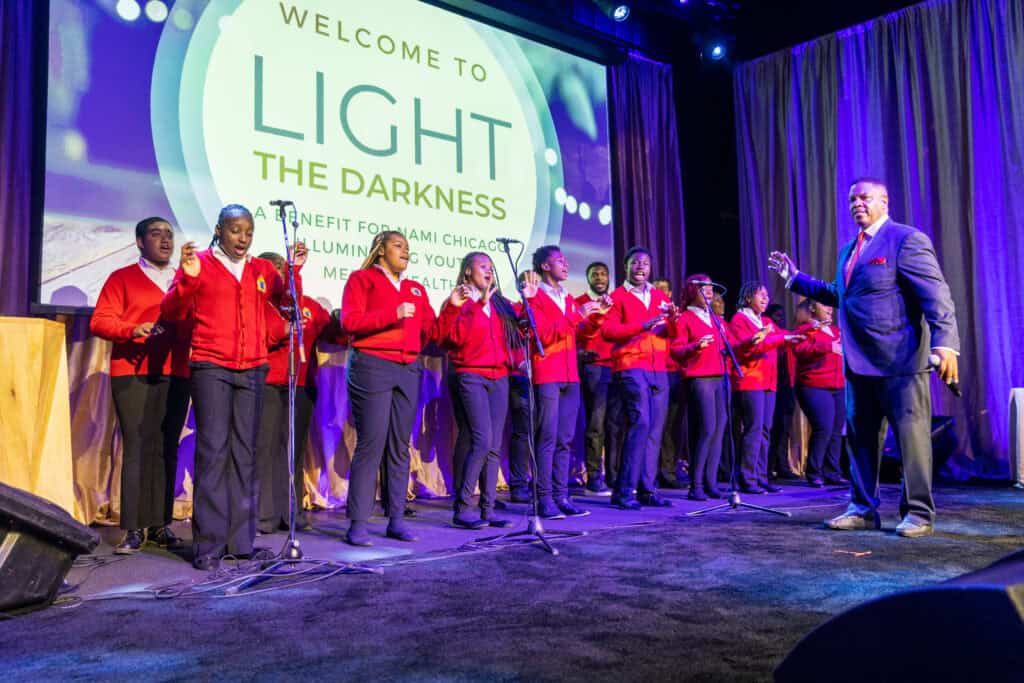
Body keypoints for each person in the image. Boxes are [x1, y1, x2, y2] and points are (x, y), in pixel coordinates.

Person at [769, 177, 960, 537]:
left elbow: (936, 294)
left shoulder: (905, 239)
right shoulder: (849, 250)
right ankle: (862, 509)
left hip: (900, 362)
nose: (857, 203)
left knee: (913, 440)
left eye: (865, 198)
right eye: (852, 199)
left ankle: (918, 513)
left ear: (885, 202)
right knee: (860, 440)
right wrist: (796, 279)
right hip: (859, 364)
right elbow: (843, 295)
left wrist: (945, 342)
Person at [161, 204, 304, 570]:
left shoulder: (260, 269)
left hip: (253, 367)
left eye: (249, 232)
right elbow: (172, 313)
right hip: (211, 365)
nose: (243, 239)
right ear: (220, 229)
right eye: (236, 231)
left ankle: (241, 543)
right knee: (213, 453)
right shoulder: (202, 264)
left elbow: (286, 300)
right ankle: (207, 547)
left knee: (246, 454)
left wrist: (294, 272)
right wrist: (188, 278)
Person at [90, 217, 191, 554]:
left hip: (176, 371)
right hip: (132, 372)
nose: (164, 240)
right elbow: (100, 320)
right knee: (137, 447)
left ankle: (161, 524)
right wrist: (130, 329)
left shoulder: (183, 281)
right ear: (138, 241)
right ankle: (133, 527)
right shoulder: (123, 278)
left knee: (167, 448)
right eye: (155, 234)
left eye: (169, 235)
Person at [341, 231, 437, 546]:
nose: (405, 251)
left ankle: (396, 519)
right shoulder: (362, 279)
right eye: (398, 245)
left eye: (408, 247)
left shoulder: (416, 289)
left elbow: (433, 331)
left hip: (409, 370)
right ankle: (358, 523)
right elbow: (350, 322)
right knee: (372, 443)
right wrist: (392, 314)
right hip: (372, 366)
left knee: (399, 446)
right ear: (381, 250)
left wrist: (452, 305)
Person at [437, 252, 522, 529]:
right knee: (481, 440)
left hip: (499, 377)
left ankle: (488, 509)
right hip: (470, 376)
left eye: (490, 267)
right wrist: (476, 305)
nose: (489, 271)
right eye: (482, 266)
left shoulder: (498, 305)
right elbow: (454, 339)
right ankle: (462, 507)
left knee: (495, 445)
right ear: (467, 273)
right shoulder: (459, 303)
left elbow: (517, 333)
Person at [254, 252, 336, 535]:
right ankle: (264, 515)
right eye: (274, 268)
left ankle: (292, 513)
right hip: (268, 382)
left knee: (293, 451)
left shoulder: (307, 305)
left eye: (283, 268)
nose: (279, 272)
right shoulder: (259, 304)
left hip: (301, 386)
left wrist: (342, 320)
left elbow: (333, 334)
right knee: (266, 449)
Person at [522, 245, 601, 519]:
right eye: (559, 261)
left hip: (570, 375)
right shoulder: (535, 297)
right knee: (547, 437)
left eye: (566, 260)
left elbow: (575, 331)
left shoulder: (567, 297)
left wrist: (593, 317)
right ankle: (544, 499)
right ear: (545, 266)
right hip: (548, 373)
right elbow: (540, 334)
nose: (566, 264)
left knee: (565, 439)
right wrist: (576, 316)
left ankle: (561, 496)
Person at [601, 247, 678, 510]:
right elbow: (609, 331)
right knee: (641, 423)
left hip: (659, 369)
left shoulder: (658, 296)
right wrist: (641, 325)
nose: (641, 267)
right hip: (631, 366)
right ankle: (623, 491)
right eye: (635, 263)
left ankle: (647, 489)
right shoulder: (617, 296)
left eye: (645, 263)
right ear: (626, 266)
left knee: (655, 430)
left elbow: (670, 333)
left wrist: (674, 321)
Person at [729, 282, 804, 494]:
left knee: (765, 430)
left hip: (768, 382)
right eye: (760, 294)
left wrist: (796, 336)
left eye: (767, 295)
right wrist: (780, 338)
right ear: (747, 297)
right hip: (750, 380)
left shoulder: (766, 321)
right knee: (753, 430)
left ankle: (761, 476)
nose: (765, 298)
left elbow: (781, 337)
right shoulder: (739, 320)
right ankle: (747, 477)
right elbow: (752, 346)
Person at [670, 275, 731, 501]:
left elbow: (732, 346)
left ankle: (710, 482)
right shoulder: (685, 318)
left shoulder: (716, 319)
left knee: (718, 429)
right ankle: (695, 485)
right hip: (699, 378)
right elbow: (676, 350)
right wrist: (696, 346)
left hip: (719, 378)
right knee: (706, 428)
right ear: (692, 291)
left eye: (709, 288)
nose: (708, 292)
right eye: (703, 288)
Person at [791, 299, 847, 487]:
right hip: (813, 385)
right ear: (813, 308)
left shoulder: (836, 331)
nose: (830, 309)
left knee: (836, 430)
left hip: (838, 386)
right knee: (823, 427)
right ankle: (814, 471)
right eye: (825, 305)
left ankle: (833, 472)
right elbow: (800, 350)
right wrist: (827, 347)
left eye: (830, 306)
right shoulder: (805, 329)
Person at [576, 261, 617, 495]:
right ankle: (594, 477)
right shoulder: (581, 302)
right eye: (595, 274)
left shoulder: (614, 302)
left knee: (614, 425)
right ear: (588, 278)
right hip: (593, 368)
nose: (600, 278)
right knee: (596, 424)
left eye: (603, 274)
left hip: (617, 367)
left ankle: (612, 475)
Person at [653, 276, 688, 489]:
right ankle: (659, 472)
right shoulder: (651, 315)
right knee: (658, 425)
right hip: (656, 373)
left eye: (665, 289)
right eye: (657, 289)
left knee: (674, 426)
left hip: (676, 374)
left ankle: (670, 470)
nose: (661, 292)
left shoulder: (677, 317)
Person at [765, 303, 799, 480]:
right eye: (776, 316)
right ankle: (768, 467)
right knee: (772, 427)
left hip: (787, 385)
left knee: (784, 428)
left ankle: (782, 464)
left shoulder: (785, 334)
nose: (780, 319)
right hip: (773, 384)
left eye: (782, 316)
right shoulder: (772, 334)